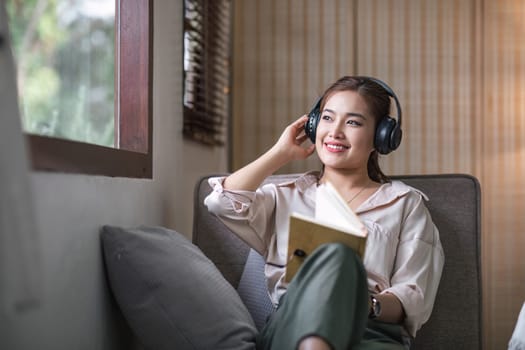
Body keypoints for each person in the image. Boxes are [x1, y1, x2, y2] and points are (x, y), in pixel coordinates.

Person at [204, 76, 444, 350]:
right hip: (292, 326)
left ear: (382, 136)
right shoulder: (285, 196)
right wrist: (280, 153)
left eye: (353, 122)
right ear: (314, 124)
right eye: (328, 118)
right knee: (338, 253)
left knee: (344, 264)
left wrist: (361, 303)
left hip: (368, 333)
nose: (335, 132)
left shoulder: (405, 204)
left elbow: (412, 298)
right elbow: (221, 203)